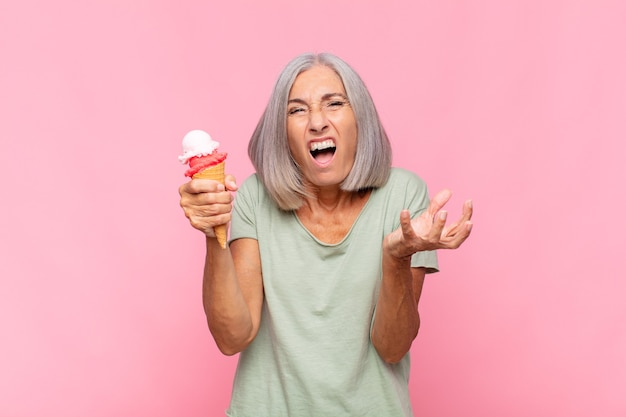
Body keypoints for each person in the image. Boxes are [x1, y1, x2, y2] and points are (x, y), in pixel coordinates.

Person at [179, 52, 473, 417]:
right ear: (282, 132)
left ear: (359, 119)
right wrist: (214, 230)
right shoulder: (255, 197)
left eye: (334, 103)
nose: (317, 122)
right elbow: (231, 338)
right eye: (297, 110)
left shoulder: (404, 196)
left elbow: (393, 347)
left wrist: (396, 258)